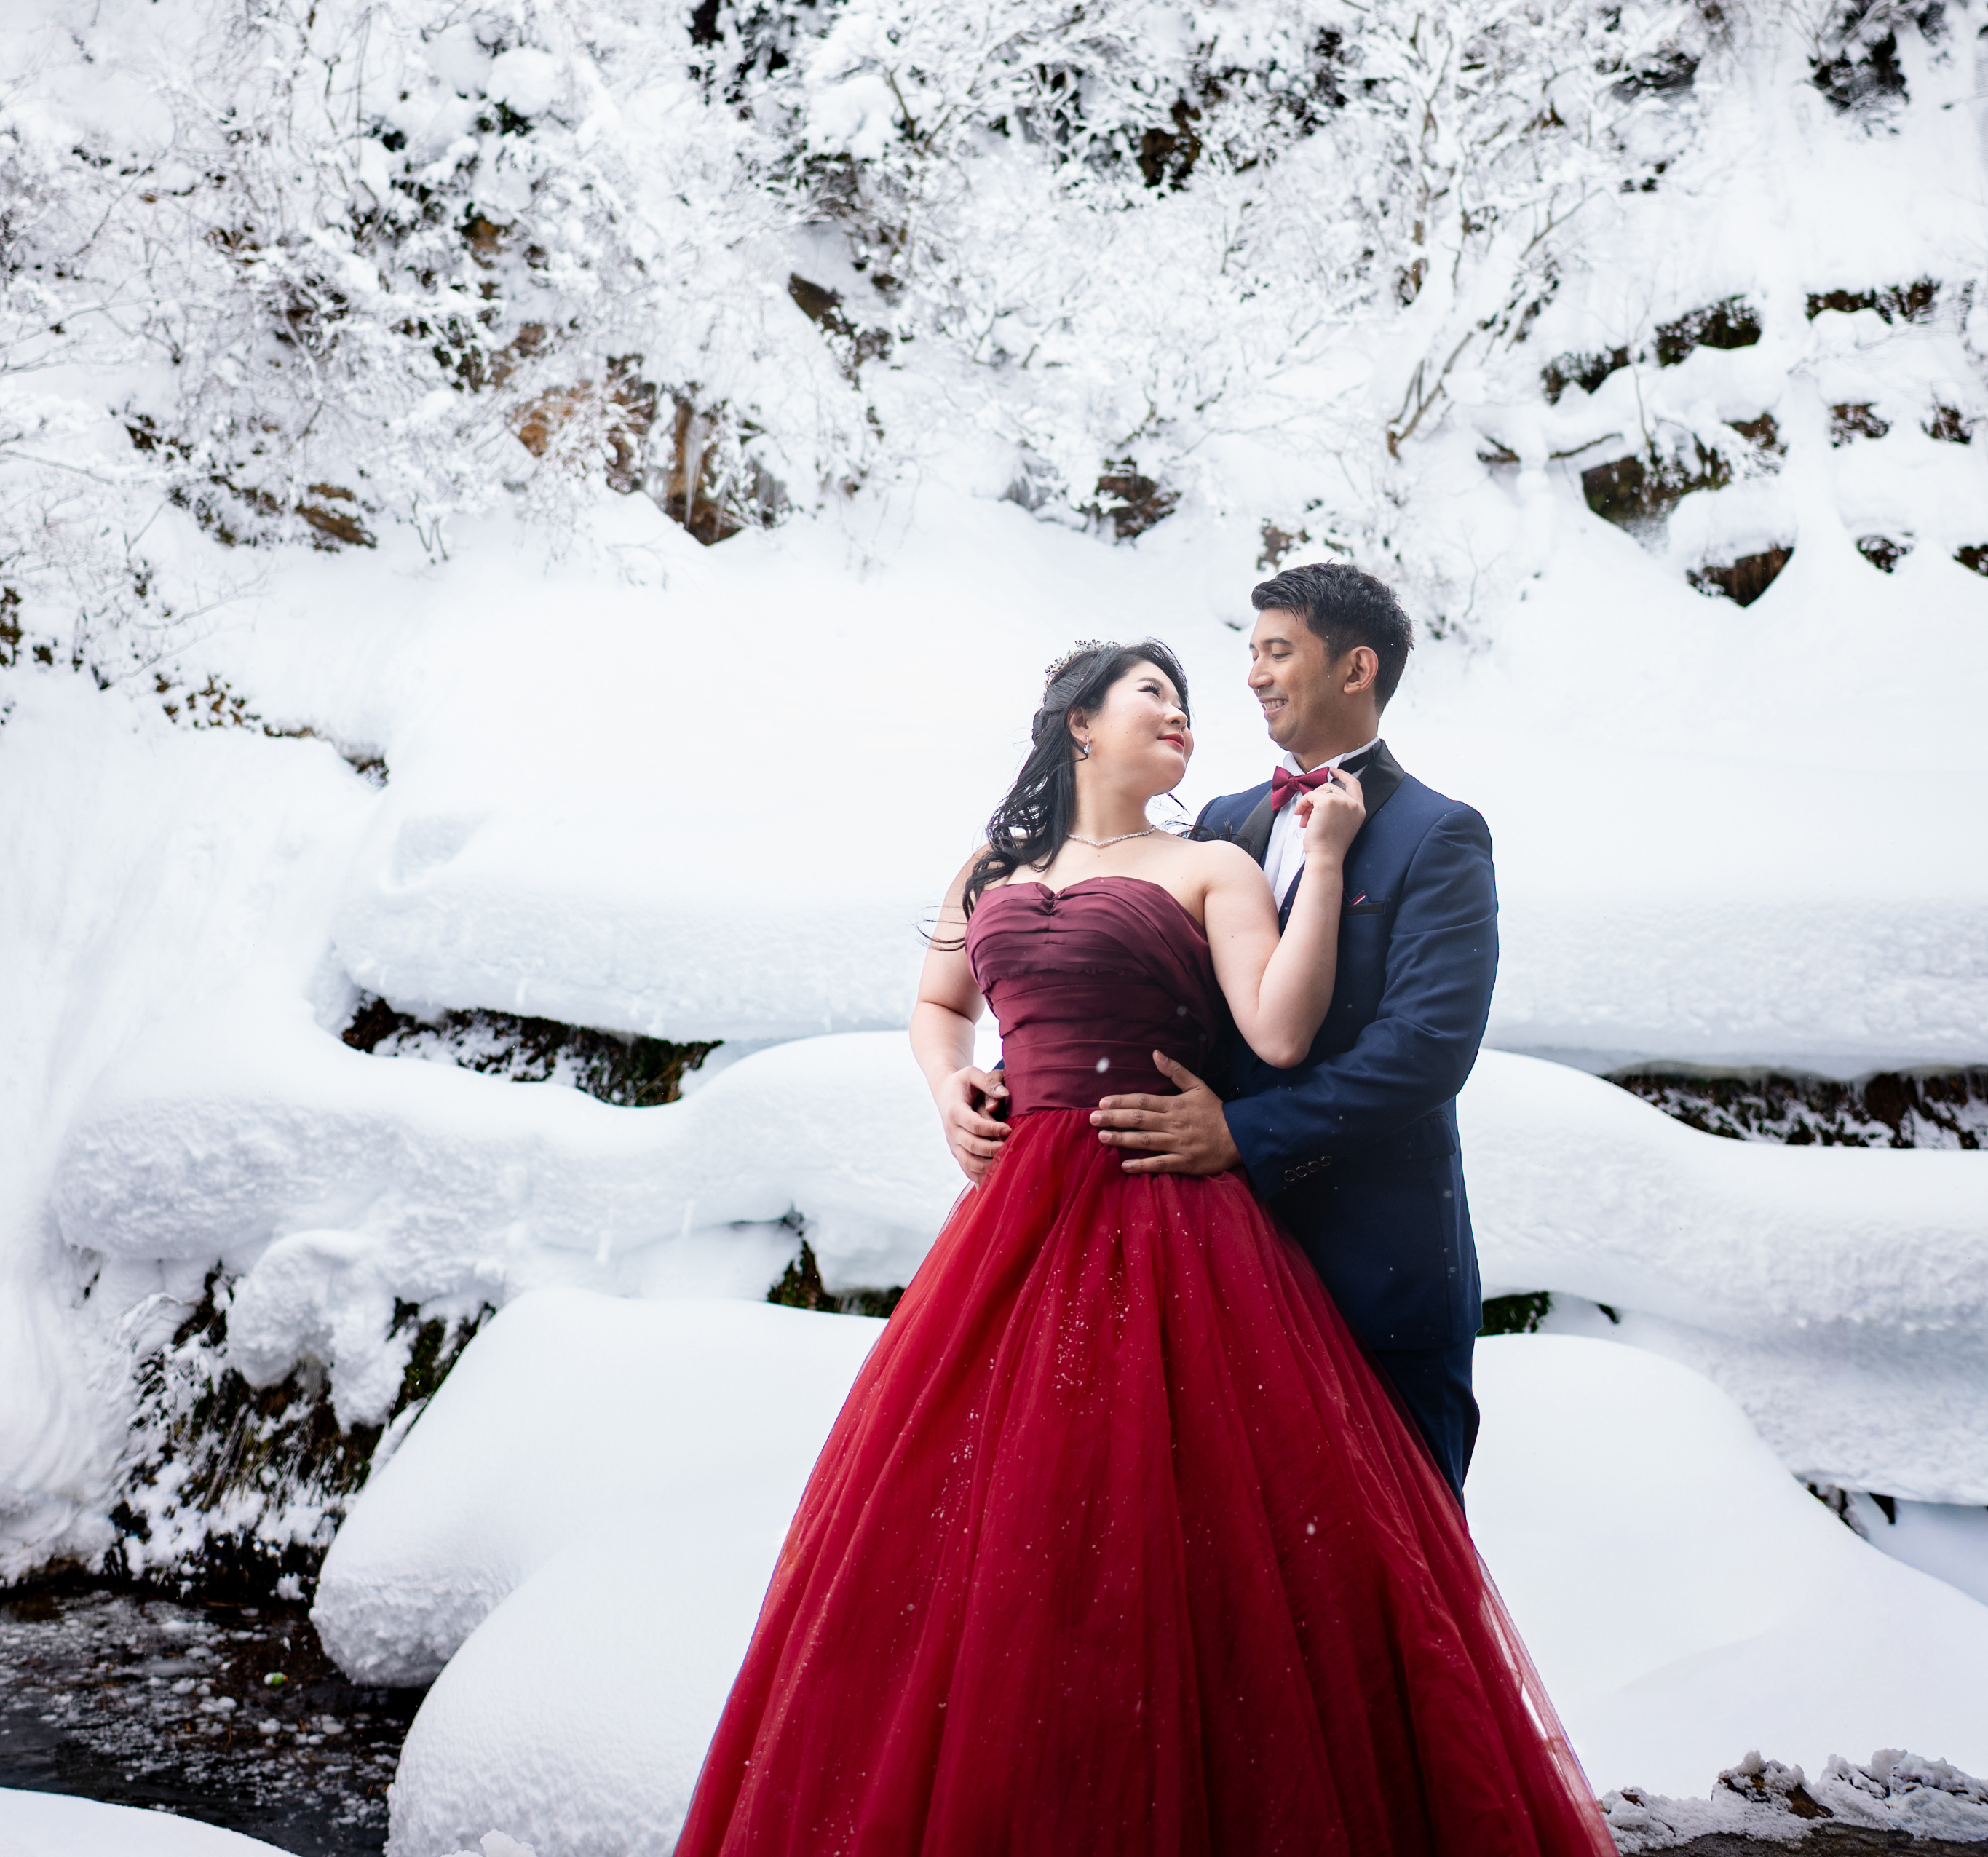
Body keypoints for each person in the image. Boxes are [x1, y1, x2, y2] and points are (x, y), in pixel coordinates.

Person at [675, 638, 1611, 1857]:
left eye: (1188, 699)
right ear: (1078, 724)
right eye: (1151, 693)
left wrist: (1321, 863)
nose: (1183, 714)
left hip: (1170, 1208)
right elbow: (936, 1002)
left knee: (1166, 1533)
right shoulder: (991, 864)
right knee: (990, 1529)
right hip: (1014, 1225)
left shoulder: (1216, 859)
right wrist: (949, 1084)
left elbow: (1277, 1034)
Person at [1093, 561, 1494, 1498]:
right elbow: (1144, 985)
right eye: (1250, 652)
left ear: (1355, 670)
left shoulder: (1440, 835)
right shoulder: (1225, 822)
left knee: (1401, 1570)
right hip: (1214, 1262)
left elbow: (1426, 1049)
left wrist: (1241, 1134)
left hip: (1375, 1271)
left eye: (1277, 651)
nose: (1253, 675)